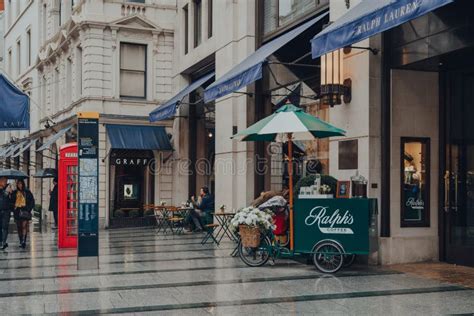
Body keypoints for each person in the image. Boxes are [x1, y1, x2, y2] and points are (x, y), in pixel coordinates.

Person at [12, 179, 35, 249]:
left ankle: (24, 241)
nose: (20, 185)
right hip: (17, 212)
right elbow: (11, 201)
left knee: (24, 226)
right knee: (19, 227)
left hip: (25, 211)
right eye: (18, 184)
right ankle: (20, 240)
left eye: (21, 184)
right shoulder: (15, 192)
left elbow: (32, 201)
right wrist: (14, 206)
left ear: (23, 184)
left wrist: (28, 209)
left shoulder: (27, 192)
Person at [0, 177, 13, 250]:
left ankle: (4, 242)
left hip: (6, 211)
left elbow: (11, 201)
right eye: (3, 181)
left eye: (5, 181)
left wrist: (11, 194)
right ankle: (1, 241)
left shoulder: (8, 188)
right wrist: (6, 192)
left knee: (5, 227)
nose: (5, 182)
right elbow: (2, 197)